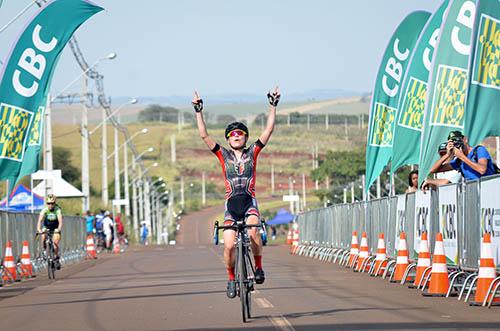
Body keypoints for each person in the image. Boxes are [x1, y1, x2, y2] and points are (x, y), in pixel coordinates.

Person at [192, 87, 280, 299]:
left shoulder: (253, 152)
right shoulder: (223, 154)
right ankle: (231, 278)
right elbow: (203, 135)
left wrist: (272, 106)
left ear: (245, 137)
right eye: (232, 134)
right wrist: (198, 111)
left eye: (240, 133)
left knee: (253, 232)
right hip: (231, 205)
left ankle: (258, 267)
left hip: (249, 202)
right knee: (229, 246)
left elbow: (268, 131)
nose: (236, 136)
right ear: (228, 139)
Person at [429, 130, 497, 181]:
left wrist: (462, 157)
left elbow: (482, 169)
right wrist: (447, 154)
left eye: (457, 141)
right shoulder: (459, 161)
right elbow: (432, 170)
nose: (456, 146)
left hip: (488, 190)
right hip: (472, 194)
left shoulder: (479, 150)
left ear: (465, 140)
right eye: (453, 143)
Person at [37, 194, 63, 269]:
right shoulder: (44, 210)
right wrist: (39, 229)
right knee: (43, 236)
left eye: (52, 203)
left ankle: (56, 257)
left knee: (55, 243)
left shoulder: (57, 209)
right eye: (48, 203)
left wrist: (59, 229)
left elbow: (60, 221)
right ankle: (45, 251)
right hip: (47, 226)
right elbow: (39, 221)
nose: (50, 205)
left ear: (55, 203)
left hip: (55, 227)